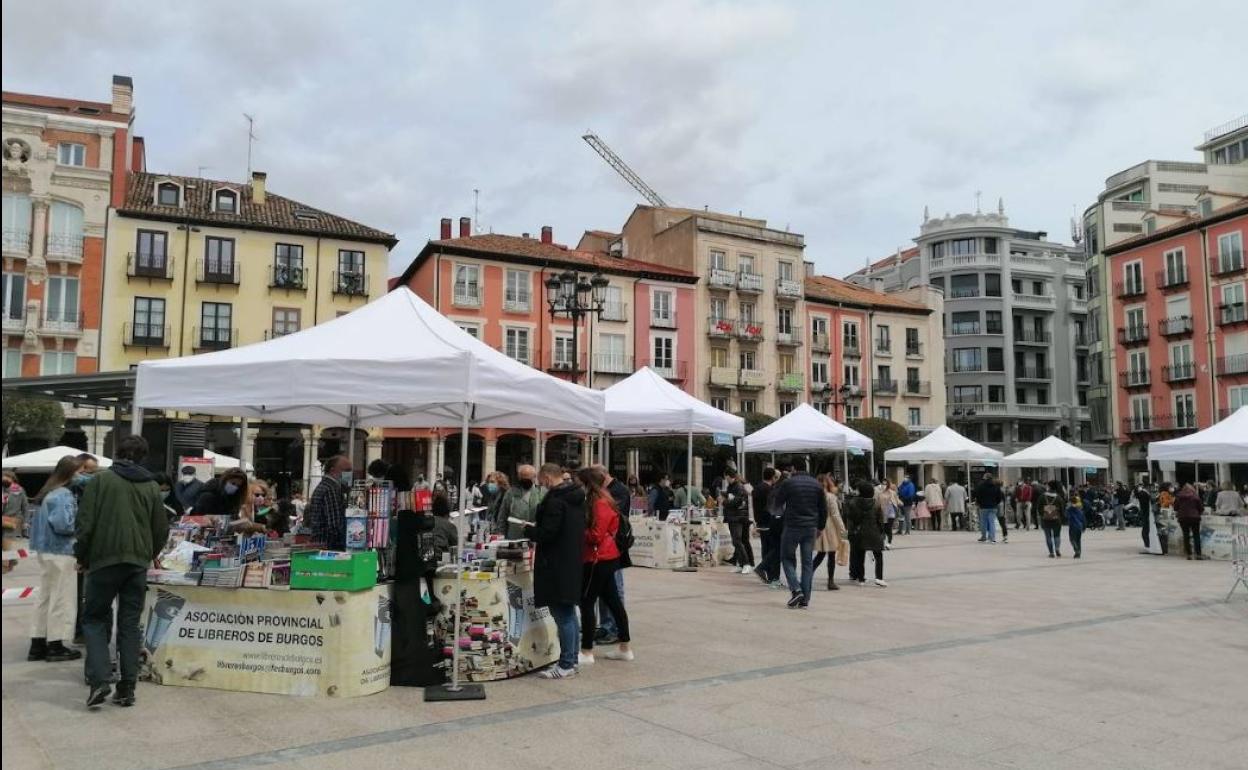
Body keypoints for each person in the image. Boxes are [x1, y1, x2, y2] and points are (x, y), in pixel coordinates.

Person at [75, 435, 169, 708]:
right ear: (144, 457)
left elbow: (86, 522)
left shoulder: (101, 481)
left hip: (103, 560)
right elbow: (161, 529)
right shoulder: (151, 486)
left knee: (94, 619)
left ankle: (100, 680)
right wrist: (148, 553)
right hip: (136, 564)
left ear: (118, 453)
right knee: (129, 624)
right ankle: (127, 687)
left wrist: (81, 555)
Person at [526, 464, 587, 679]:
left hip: (555, 564)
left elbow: (548, 533)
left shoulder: (556, 501)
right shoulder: (576, 497)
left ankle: (566, 663)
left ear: (548, 477)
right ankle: (572, 659)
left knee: (563, 615)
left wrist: (530, 530)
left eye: (541, 480)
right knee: (569, 613)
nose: (541, 484)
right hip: (570, 561)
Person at [27, 455, 85, 663]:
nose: (81, 476)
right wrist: (81, 526)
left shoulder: (46, 492)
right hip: (61, 551)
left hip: (44, 551)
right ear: (69, 473)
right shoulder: (63, 495)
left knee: (45, 597)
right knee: (61, 598)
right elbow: (64, 525)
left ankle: (37, 642)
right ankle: (56, 645)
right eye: (78, 472)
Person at [575, 467, 633, 665]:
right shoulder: (605, 499)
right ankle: (625, 647)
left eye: (579, 483)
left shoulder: (598, 503)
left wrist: (577, 531)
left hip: (598, 558)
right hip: (608, 557)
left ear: (587, 484)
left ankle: (587, 650)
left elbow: (596, 535)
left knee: (587, 602)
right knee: (613, 601)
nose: (577, 487)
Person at [773, 465, 827, 608]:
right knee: (807, 562)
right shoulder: (817, 484)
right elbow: (823, 508)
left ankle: (796, 590)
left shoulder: (789, 483)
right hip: (810, 527)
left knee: (787, 558)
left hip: (792, 526)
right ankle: (805, 598)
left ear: (793, 469)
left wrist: (777, 516)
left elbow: (777, 502)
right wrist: (821, 527)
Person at [593, 464, 632, 645]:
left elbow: (612, 514)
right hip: (603, 548)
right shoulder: (602, 491)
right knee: (603, 588)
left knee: (615, 589)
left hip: (615, 547)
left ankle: (616, 628)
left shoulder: (619, 490)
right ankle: (606, 625)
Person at [846, 481, 886, 587]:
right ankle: (879, 577)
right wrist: (882, 532)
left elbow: (851, 518)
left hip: (860, 533)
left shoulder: (853, 503)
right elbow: (880, 520)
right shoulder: (876, 504)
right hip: (874, 532)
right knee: (878, 555)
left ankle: (861, 578)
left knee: (860, 555)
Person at [306, 455, 351, 550]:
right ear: (333, 470)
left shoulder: (323, 486)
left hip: (319, 542)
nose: (349, 474)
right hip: (329, 545)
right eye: (346, 470)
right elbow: (335, 524)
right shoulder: (331, 489)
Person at [812, 474, 847, 590]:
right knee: (831, 554)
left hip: (817, 526)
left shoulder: (813, 496)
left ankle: (807, 575)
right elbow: (836, 515)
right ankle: (830, 581)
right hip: (829, 526)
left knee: (820, 554)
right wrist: (843, 530)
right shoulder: (830, 497)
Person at [752, 467, 782, 586]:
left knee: (765, 548)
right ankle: (772, 576)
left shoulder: (757, 488)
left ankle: (767, 574)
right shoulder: (770, 490)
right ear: (773, 477)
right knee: (774, 549)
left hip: (760, 522)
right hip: (770, 522)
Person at [500, 465, 547, 539]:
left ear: (534, 478)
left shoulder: (542, 492)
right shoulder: (511, 493)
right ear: (519, 477)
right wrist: (500, 534)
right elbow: (502, 515)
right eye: (523, 479)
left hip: (534, 536)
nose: (525, 481)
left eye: (528, 479)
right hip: (514, 536)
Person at [720, 470, 753, 574]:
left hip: (737, 517)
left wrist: (723, 501)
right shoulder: (733, 486)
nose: (726, 480)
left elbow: (736, 501)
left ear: (729, 476)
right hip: (736, 517)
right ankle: (742, 563)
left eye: (726, 477)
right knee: (740, 541)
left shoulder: (738, 486)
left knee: (737, 541)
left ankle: (746, 564)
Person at [1174, 483, 1204, 560]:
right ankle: (1198, 554)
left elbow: (1175, 508)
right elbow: (1201, 508)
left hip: (1183, 518)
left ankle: (1189, 554)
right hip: (1194, 518)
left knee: (1186, 535)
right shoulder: (1195, 497)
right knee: (1196, 535)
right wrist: (1198, 512)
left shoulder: (1178, 496)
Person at [974, 473, 1003, 544]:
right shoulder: (996, 486)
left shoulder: (980, 485)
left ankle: (983, 537)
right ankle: (992, 538)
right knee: (992, 522)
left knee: (983, 522)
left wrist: (979, 503)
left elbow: (978, 495)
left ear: (985, 477)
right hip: (993, 507)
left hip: (983, 507)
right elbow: (999, 497)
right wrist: (996, 503)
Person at [1039, 480, 1065, 558]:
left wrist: (1043, 514)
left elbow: (1039, 507)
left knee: (1048, 536)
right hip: (1056, 519)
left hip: (1045, 519)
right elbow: (1062, 509)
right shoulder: (1058, 497)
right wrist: (1061, 517)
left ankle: (1051, 552)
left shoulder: (1042, 496)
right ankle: (1057, 548)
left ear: (1049, 486)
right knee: (1057, 535)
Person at [876, 480, 901, 549]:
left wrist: (900, 503)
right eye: (883, 484)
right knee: (882, 529)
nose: (884, 485)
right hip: (883, 513)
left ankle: (889, 543)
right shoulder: (879, 493)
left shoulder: (892, 493)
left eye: (885, 484)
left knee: (888, 529)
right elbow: (877, 503)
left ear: (888, 485)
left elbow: (897, 500)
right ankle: (883, 543)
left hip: (891, 512)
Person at [1066, 494, 1086, 559]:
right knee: (1078, 540)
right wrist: (1084, 527)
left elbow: (1067, 516)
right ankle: (1079, 552)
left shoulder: (1070, 509)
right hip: (1080, 526)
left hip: (1073, 526)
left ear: (1071, 502)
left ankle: (1076, 550)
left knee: (1072, 539)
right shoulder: (1080, 509)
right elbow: (1083, 519)